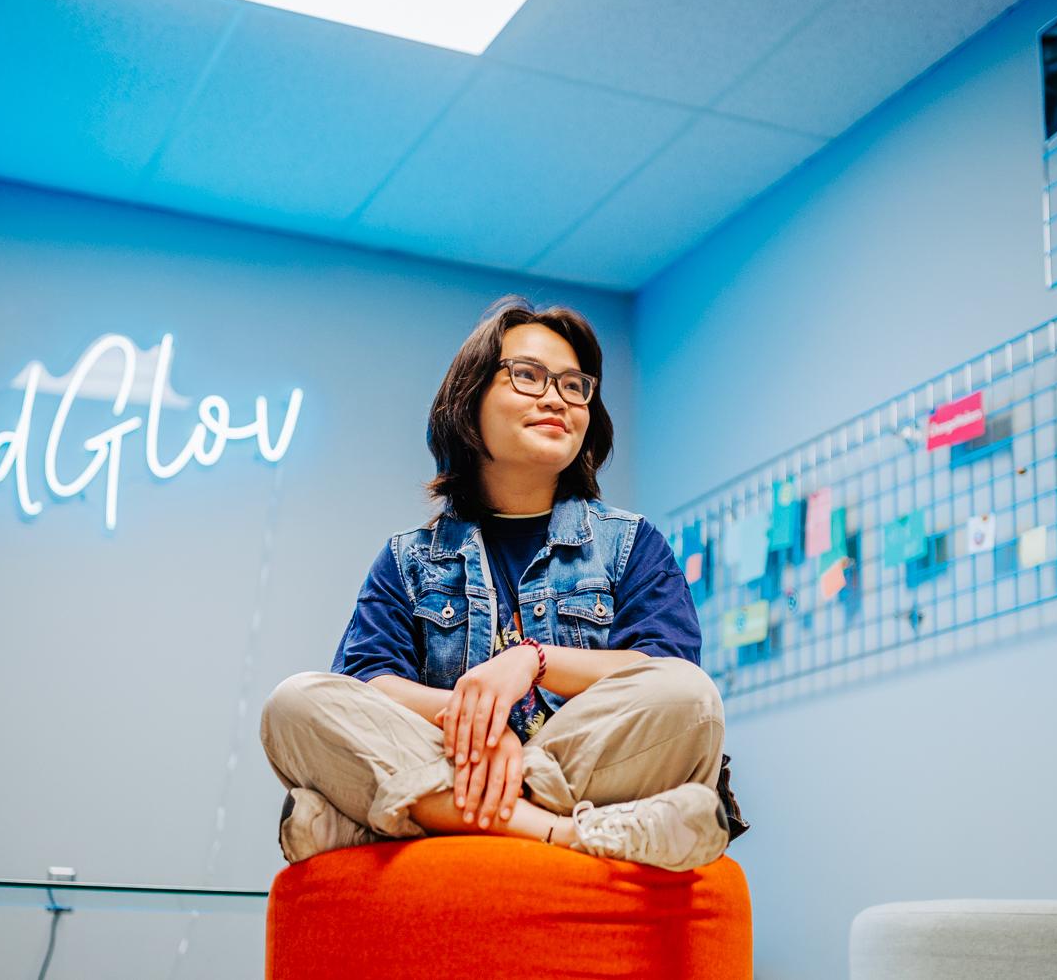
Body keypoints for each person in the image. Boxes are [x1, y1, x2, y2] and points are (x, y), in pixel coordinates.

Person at [259, 298, 738, 872]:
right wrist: (481, 729)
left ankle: (390, 822)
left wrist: (531, 663)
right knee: (294, 703)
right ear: (470, 401)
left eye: (574, 385)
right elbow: (367, 685)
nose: (556, 398)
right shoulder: (409, 559)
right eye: (528, 376)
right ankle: (564, 832)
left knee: (692, 700)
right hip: (472, 758)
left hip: (571, 757)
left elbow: (665, 672)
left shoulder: (631, 545)